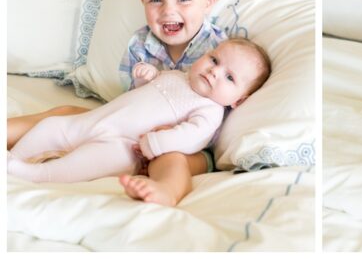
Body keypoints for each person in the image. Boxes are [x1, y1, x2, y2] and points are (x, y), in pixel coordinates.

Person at [7, 0, 225, 205]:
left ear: (208, 2)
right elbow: (132, 100)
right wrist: (143, 81)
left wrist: (175, 133)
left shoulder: (218, 51)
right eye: (157, 0)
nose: (168, 10)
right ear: (143, 1)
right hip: (130, 127)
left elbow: (226, 96)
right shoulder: (141, 42)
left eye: (184, 0)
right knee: (66, 113)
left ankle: (166, 190)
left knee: (171, 158)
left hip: (189, 141)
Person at [8, 38, 271, 184]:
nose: (215, 71)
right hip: (98, 120)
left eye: (229, 77)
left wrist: (154, 144)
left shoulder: (210, 110)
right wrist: (148, 78)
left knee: (85, 162)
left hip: (126, 145)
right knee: (52, 126)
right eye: (214, 59)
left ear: (237, 101)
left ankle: (36, 175)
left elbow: (192, 137)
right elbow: (138, 98)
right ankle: (16, 156)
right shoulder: (178, 76)